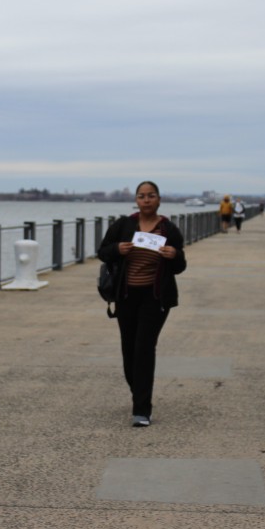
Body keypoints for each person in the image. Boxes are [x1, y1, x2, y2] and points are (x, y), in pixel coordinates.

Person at [98, 181, 186, 427]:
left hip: (155, 297)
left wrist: (174, 255)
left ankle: (142, 410)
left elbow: (180, 266)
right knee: (129, 350)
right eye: (142, 196)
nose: (146, 200)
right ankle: (139, 392)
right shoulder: (124, 225)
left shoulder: (168, 229)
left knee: (144, 349)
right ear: (136, 200)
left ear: (159, 200)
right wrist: (117, 249)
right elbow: (103, 252)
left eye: (151, 195)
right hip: (126, 296)